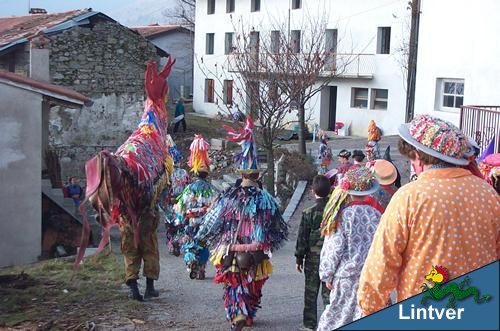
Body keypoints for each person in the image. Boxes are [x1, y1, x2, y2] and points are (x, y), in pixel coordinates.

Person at [357, 114, 500, 317]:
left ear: (418, 155)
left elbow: (381, 264)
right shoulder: (488, 195)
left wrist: (371, 310)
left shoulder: (410, 197)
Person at [195, 116, 288, 331]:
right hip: (256, 250)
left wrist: (201, 236)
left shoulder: (227, 197)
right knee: (252, 283)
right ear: (257, 175)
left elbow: (211, 222)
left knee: (233, 282)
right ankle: (247, 314)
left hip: (231, 248)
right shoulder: (267, 199)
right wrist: (267, 242)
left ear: (242, 173)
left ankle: (238, 313)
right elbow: (278, 228)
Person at [317, 167, 383, 330]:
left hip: (346, 276)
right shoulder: (377, 215)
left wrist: (327, 274)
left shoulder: (342, 216)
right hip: (371, 276)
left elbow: (334, 248)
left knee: (337, 318)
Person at [176, 134, 217, 280]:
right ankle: (201, 268)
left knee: (190, 243)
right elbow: (215, 207)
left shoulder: (189, 189)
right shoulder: (211, 189)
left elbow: (181, 207)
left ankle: (191, 262)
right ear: (207, 174)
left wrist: (179, 220)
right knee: (203, 245)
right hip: (205, 223)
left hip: (190, 221)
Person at [295, 175, 331, 331]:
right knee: (328, 293)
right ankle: (329, 321)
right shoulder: (334, 211)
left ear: (312, 191)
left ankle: (310, 324)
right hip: (330, 258)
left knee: (310, 293)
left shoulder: (308, 212)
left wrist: (299, 258)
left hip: (312, 259)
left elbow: (302, 238)